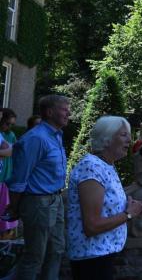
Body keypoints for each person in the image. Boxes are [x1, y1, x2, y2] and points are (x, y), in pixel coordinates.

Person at [67, 116, 142, 280]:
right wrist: (129, 214)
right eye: (123, 135)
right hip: (91, 259)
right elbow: (92, 225)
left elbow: (106, 206)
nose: (129, 140)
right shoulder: (91, 167)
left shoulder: (106, 165)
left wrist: (128, 205)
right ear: (106, 139)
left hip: (103, 255)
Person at [5, 95, 70, 279]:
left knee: (57, 250)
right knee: (34, 256)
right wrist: (15, 206)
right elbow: (19, 179)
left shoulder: (56, 135)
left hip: (55, 200)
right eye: (64, 109)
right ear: (50, 112)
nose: (69, 113)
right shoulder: (36, 138)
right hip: (38, 202)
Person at [0, 109, 18, 238]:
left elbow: (13, 150)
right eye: (7, 123)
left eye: (12, 124)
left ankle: (5, 235)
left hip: (5, 177)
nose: (9, 127)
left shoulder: (9, 135)